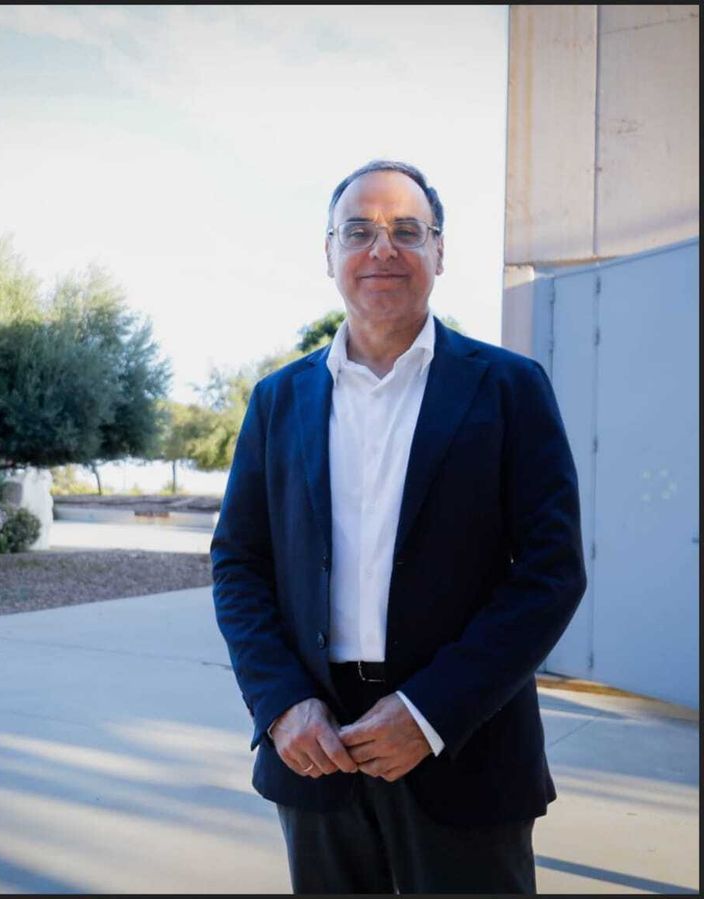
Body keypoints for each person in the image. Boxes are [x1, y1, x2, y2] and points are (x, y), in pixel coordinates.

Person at [211, 160, 586, 894]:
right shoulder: (276, 401)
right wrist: (280, 703)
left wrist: (429, 712)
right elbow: (238, 564)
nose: (382, 249)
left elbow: (551, 572)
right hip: (314, 751)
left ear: (439, 253)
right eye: (359, 231)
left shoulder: (509, 389)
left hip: (465, 746)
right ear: (329, 254)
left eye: (406, 231)